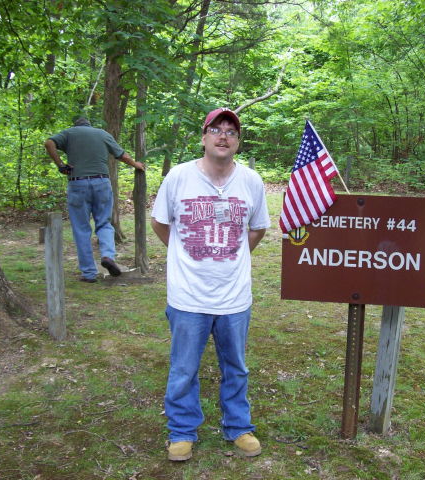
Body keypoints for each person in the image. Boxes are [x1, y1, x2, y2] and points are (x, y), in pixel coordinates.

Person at [151, 108, 270, 461]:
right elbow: (161, 224)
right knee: (184, 368)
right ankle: (182, 431)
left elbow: (258, 227)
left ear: (237, 141)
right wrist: (188, 252)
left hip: (234, 297)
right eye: (216, 130)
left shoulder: (251, 181)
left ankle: (239, 427)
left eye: (231, 132)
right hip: (187, 295)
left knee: (236, 366)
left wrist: (232, 255)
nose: (223, 136)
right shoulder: (179, 177)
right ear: (203, 137)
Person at [45, 117, 145, 283]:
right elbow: (122, 155)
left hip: (78, 183)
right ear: (89, 125)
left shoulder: (69, 134)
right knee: (104, 223)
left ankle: (89, 273)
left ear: (76, 125)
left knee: (81, 228)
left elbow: (49, 143)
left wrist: (61, 165)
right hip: (101, 183)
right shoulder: (102, 134)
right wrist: (136, 165)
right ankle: (107, 256)